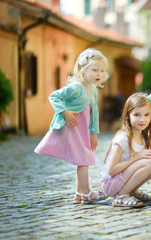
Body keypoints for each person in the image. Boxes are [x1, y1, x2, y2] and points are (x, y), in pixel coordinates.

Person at [35, 48, 108, 204]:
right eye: (95, 70)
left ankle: (79, 194)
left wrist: (94, 132)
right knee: (84, 160)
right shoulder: (75, 87)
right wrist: (65, 112)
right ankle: (87, 192)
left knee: (82, 159)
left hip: (83, 132)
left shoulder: (93, 90)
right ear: (82, 70)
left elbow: (94, 112)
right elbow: (54, 96)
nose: (99, 74)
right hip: (72, 129)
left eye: (101, 71)